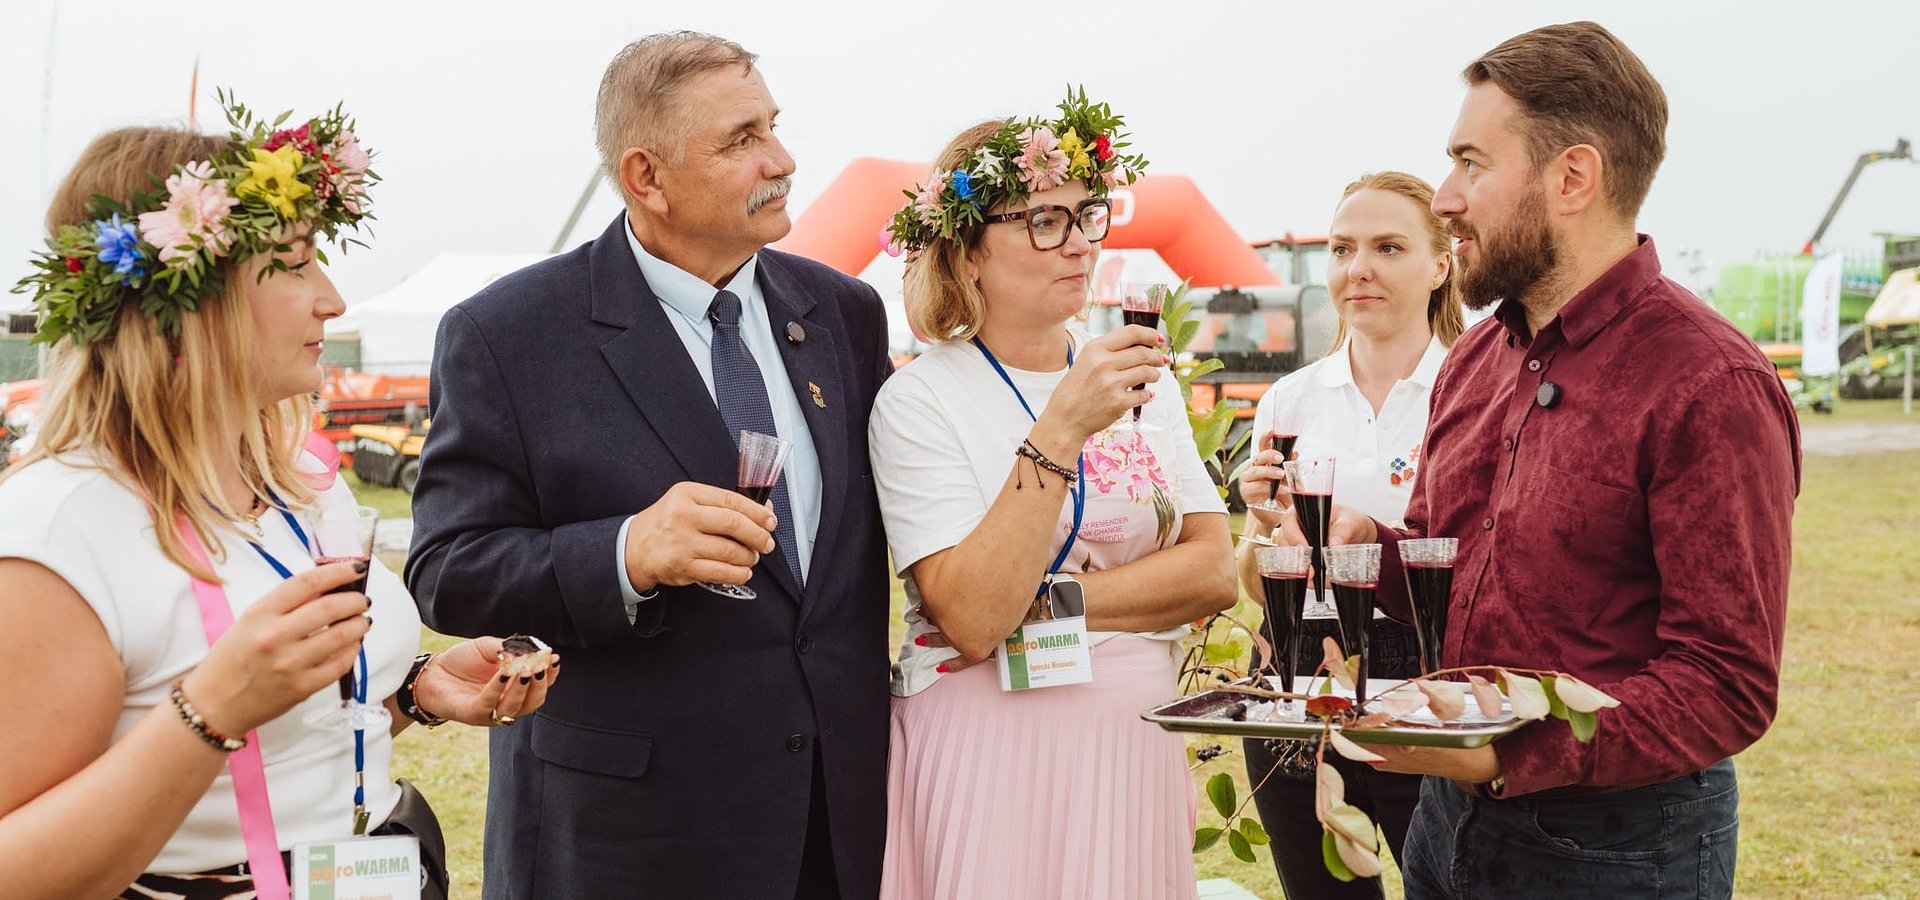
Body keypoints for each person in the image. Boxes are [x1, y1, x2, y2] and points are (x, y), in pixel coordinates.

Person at [0, 102, 555, 900]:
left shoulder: (299, 485)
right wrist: (212, 707)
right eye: (294, 266)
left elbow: (292, 740)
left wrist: (414, 692)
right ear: (186, 300)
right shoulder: (59, 532)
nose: (331, 299)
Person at [1294, 22, 1798, 899]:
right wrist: (1358, 546)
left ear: (1572, 177)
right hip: (1445, 826)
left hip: (1620, 853)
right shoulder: (1475, 360)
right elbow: (1442, 575)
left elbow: (1726, 683)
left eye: (1471, 163)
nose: (1446, 197)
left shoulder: (1708, 382)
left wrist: (1511, 751)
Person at [405, 31, 895, 900]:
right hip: (623, 841)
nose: (780, 160)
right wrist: (625, 553)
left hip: (832, 821)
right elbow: (447, 571)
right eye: (740, 140)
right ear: (647, 177)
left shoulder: (844, 314)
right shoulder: (507, 335)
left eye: (773, 127)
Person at [869, 92, 1237, 900]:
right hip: (991, 754)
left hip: (1132, 747)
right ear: (968, 253)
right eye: (1043, 219)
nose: (1077, 243)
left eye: (1086, 215)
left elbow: (1214, 574)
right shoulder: (920, 400)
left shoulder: (1141, 380)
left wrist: (1045, 600)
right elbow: (969, 615)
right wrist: (1062, 427)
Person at [1234, 170, 1464, 898]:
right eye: (1341, 248)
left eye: (1388, 247)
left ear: (1441, 262)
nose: (1357, 269)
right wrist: (1263, 534)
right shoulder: (1290, 399)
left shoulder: (1475, 389)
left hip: (1425, 673)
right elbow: (1253, 582)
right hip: (1296, 673)